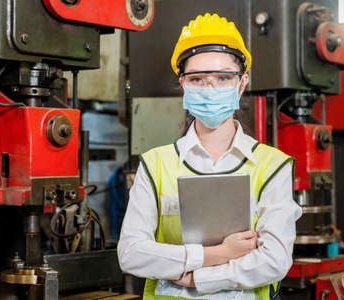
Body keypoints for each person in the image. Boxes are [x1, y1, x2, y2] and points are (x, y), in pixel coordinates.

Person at [117, 13, 302, 300]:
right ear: (183, 85)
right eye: (198, 79)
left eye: (223, 77)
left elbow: (274, 261)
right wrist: (220, 253)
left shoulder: (271, 166)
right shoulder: (155, 165)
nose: (210, 88)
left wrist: (199, 279)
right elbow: (131, 255)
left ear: (241, 84)